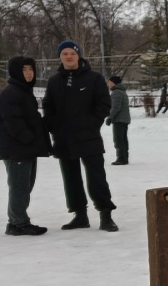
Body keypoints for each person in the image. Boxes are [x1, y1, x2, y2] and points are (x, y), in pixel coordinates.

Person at [43, 40, 117, 232]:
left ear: (78, 56)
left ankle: (105, 214)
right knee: (71, 178)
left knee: (96, 177)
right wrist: (54, 127)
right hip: (64, 138)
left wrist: (91, 124)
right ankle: (79, 215)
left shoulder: (94, 78)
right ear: (60, 57)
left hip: (88, 137)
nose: (69, 57)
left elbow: (103, 104)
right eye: (65, 54)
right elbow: (48, 106)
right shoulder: (54, 81)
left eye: (72, 53)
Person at [0, 56, 51, 235]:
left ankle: (16, 221)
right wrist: (28, 138)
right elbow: (12, 121)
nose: (28, 73)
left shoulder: (23, 91)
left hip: (25, 148)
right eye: (24, 69)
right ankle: (18, 223)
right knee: (19, 186)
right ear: (15, 71)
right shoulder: (11, 93)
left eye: (31, 69)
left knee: (25, 186)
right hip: (16, 149)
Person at [107, 75, 130, 164]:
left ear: (113, 83)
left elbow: (116, 107)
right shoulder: (122, 91)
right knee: (123, 139)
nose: (108, 84)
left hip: (119, 119)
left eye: (109, 82)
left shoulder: (116, 92)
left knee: (118, 139)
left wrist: (110, 117)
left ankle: (121, 158)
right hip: (124, 119)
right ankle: (125, 157)